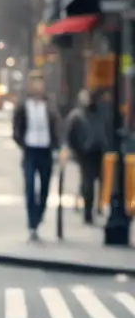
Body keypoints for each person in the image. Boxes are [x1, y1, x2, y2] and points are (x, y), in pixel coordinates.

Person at [12, 69, 61, 241]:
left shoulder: (49, 104)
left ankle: (39, 216)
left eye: (40, 83)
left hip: (46, 150)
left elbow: (56, 125)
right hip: (30, 151)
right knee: (30, 187)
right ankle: (32, 223)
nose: (38, 86)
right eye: (34, 83)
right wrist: (22, 143)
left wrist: (58, 146)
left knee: (45, 188)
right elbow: (16, 128)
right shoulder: (24, 105)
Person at [65, 88, 106, 224]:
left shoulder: (98, 114)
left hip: (98, 152)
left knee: (99, 181)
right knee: (88, 183)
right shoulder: (77, 116)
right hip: (85, 154)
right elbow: (70, 136)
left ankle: (97, 206)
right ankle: (88, 211)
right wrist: (76, 151)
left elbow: (103, 130)